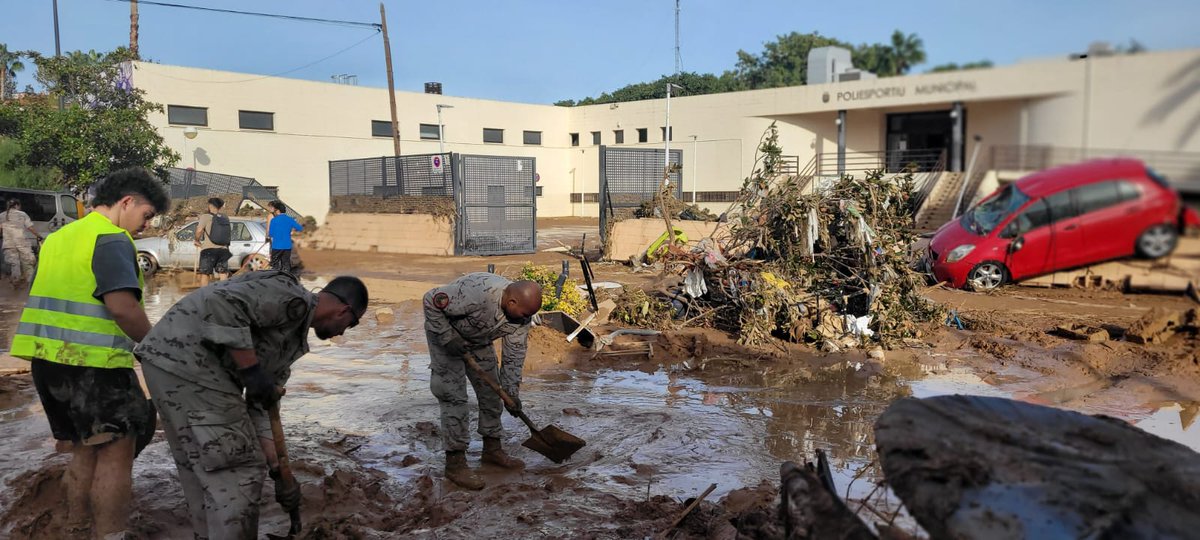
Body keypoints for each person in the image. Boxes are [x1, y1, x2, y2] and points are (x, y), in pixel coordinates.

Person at [136, 272, 368, 539]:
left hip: (167, 367)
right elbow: (221, 303)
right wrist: (251, 371)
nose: (342, 333)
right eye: (351, 325)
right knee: (240, 470)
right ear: (344, 311)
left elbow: (262, 410)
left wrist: (280, 472)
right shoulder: (291, 296)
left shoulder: (289, 344)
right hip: (190, 366)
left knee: (202, 467)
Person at [10, 167, 170, 539]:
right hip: (95, 368)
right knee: (116, 455)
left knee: (83, 450)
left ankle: (76, 527)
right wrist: (158, 349)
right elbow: (122, 307)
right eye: (146, 215)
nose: (145, 227)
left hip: (48, 365)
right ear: (126, 202)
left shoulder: (58, 238)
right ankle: (110, 534)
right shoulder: (111, 238)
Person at [423, 273, 542, 490]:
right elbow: (431, 299)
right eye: (525, 313)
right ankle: (455, 463)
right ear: (511, 301)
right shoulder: (477, 293)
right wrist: (448, 337)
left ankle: (492, 450)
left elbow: (514, 356)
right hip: (445, 338)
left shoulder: (521, 318)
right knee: (454, 397)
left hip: (478, 340)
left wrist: (511, 393)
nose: (527, 318)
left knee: (493, 394)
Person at [0, 199, 43, 288]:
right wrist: (39, 236)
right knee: (28, 262)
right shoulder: (22, 214)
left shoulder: (2, 215)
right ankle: (31, 283)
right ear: (17, 205)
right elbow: (30, 228)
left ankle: (16, 281)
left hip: (8, 243)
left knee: (14, 263)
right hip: (22, 242)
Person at [194, 197, 232, 287]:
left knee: (205, 274)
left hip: (208, 250)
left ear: (210, 205)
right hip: (223, 250)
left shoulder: (205, 217)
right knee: (222, 273)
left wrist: (196, 240)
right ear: (219, 207)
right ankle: (223, 294)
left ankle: (204, 295)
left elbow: (199, 231)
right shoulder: (225, 218)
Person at [266, 200, 302, 274]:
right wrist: (290, 231)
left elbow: (271, 234)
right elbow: (300, 228)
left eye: (275, 210)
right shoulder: (290, 219)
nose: (274, 212)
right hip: (287, 246)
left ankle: (276, 279)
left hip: (277, 246)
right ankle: (286, 278)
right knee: (286, 264)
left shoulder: (274, 220)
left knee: (275, 265)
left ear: (278, 210)